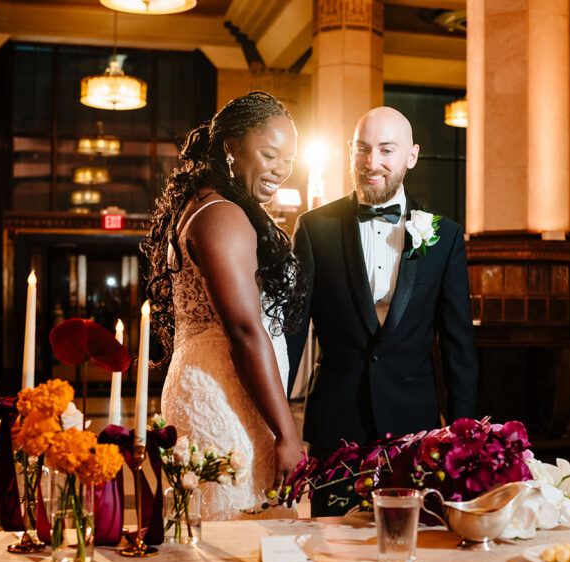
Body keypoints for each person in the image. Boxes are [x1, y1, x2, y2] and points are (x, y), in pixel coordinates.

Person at [288, 106, 478, 515]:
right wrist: (279, 425)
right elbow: (292, 334)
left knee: (410, 547)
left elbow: (458, 344)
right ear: (350, 152)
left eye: (386, 150)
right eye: (363, 149)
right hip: (334, 426)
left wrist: (463, 435)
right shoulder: (314, 228)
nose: (372, 163)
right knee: (331, 551)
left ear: (411, 156)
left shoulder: (444, 236)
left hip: (415, 432)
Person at [141, 92, 306, 520]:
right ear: (231, 147)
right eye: (270, 154)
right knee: (228, 542)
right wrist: (288, 433)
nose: (281, 170)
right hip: (222, 401)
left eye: (288, 159)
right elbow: (245, 330)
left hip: (239, 395)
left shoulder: (211, 204)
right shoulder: (222, 215)